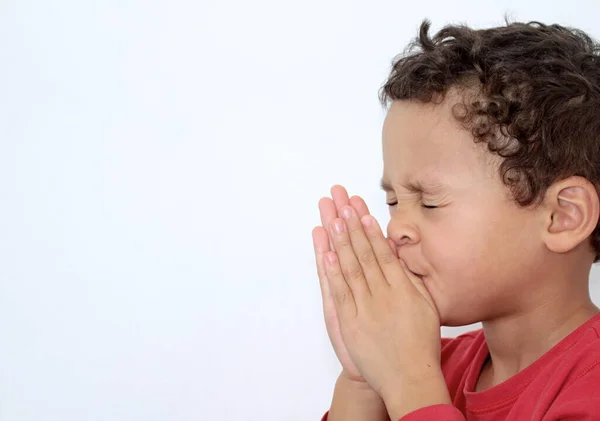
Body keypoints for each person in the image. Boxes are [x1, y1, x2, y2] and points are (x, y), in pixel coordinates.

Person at [311, 19, 600, 421]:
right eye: (394, 200)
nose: (396, 229)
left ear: (562, 216)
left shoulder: (591, 388)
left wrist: (409, 384)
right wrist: (363, 380)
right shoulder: (430, 364)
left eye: (428, 202)